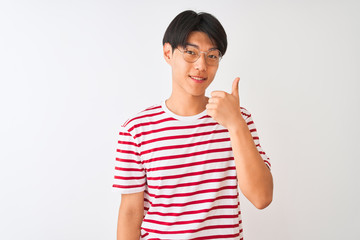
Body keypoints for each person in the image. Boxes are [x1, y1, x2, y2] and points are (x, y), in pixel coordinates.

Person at [113, 10, 273, 240]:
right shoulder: (136, 129)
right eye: (190, 52)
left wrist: (235, 124)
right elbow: (130, 212)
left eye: (212, 55)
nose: (201, 65)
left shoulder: (239, 119)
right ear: (168, 53)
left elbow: (262, 197)